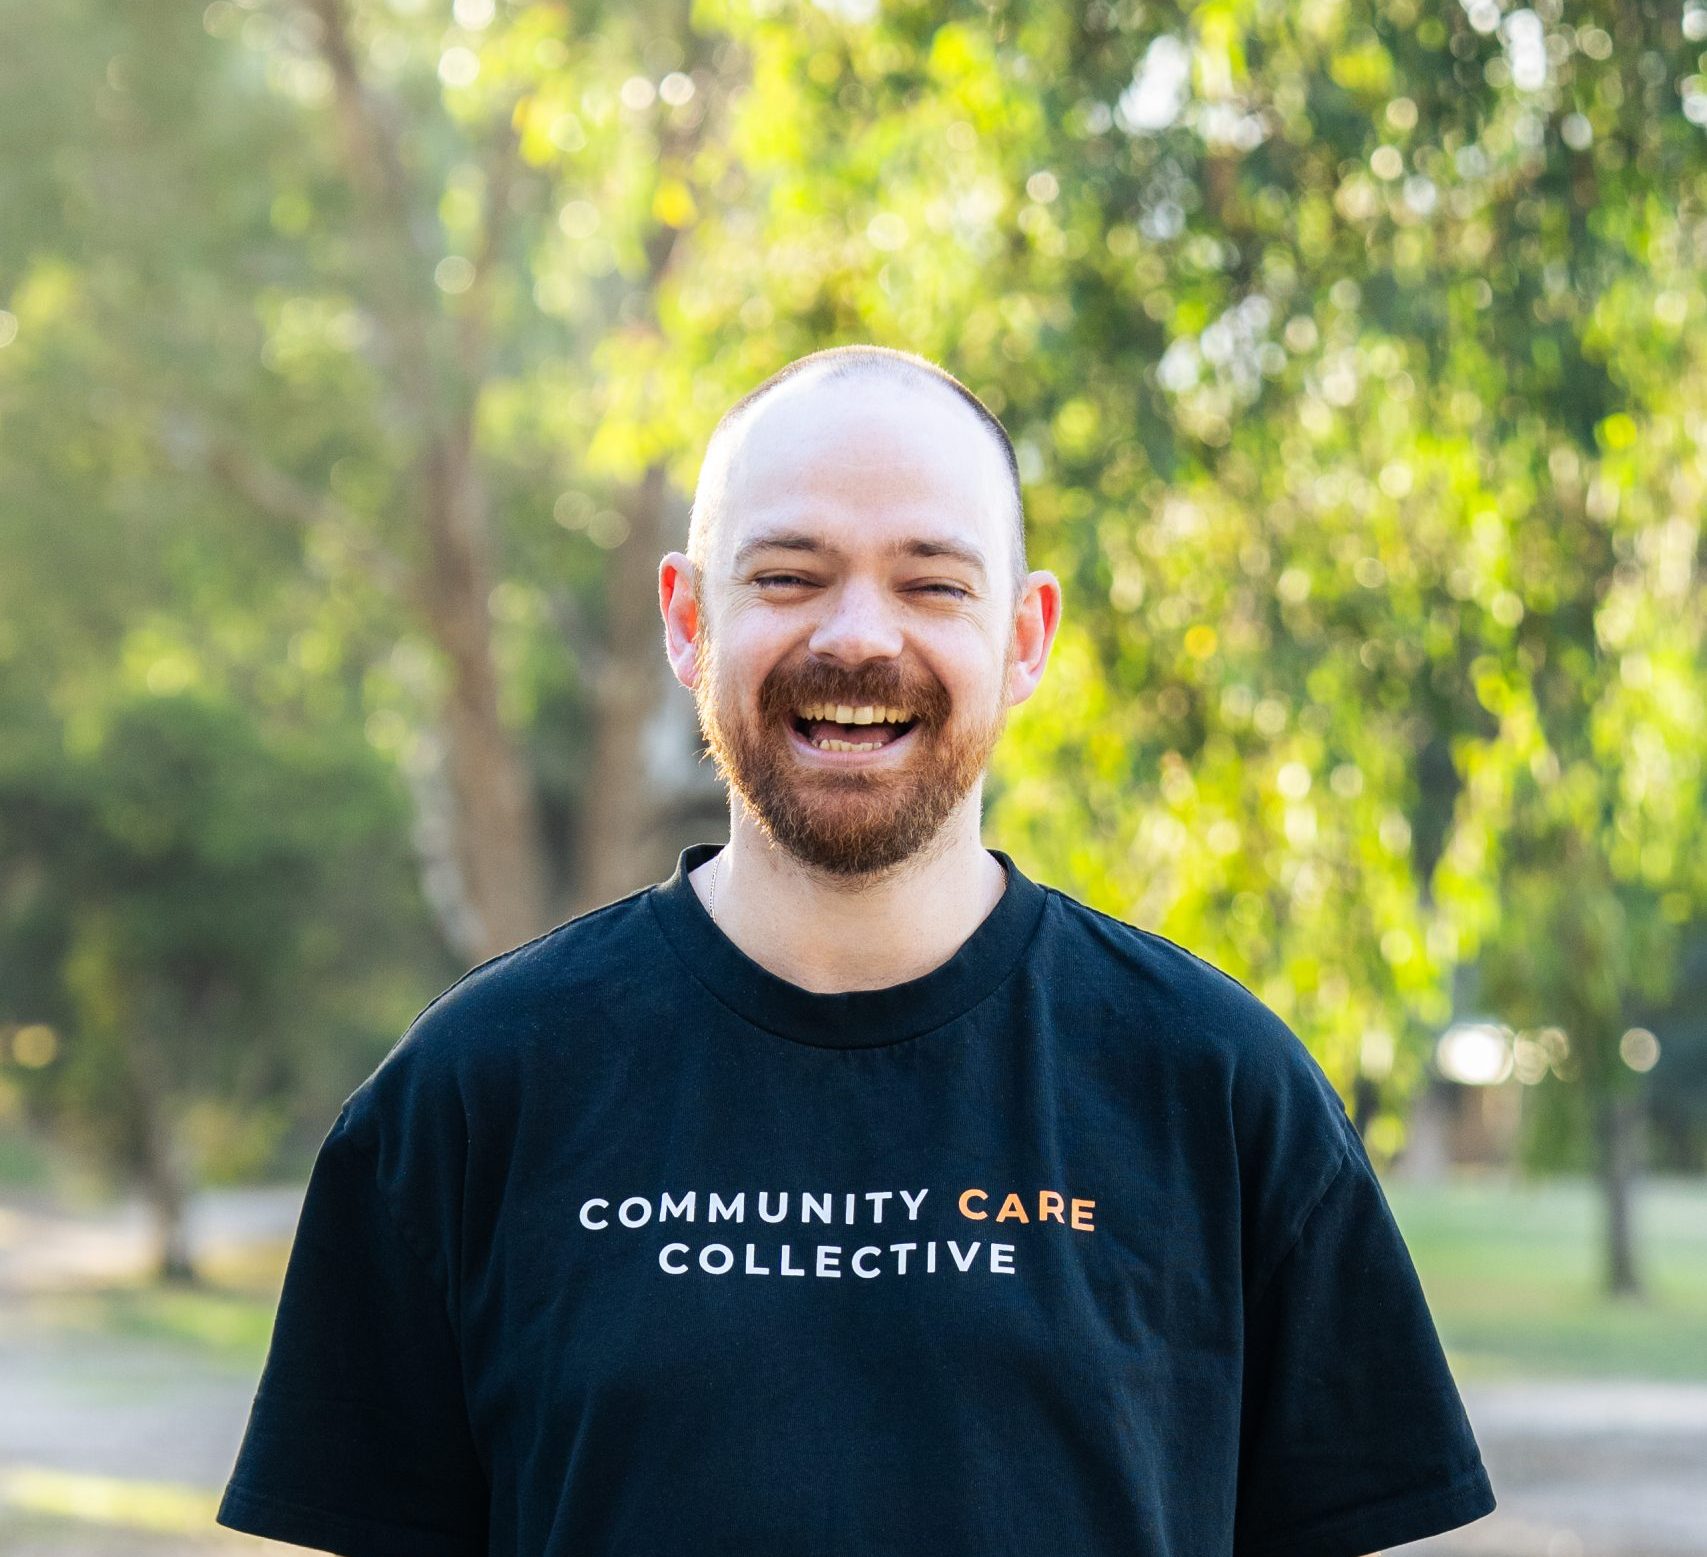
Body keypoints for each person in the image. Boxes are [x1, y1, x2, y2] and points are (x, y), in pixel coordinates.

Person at [216, 344, 1497, 1557]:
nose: (859, 638)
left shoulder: (1221, 1091)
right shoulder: (472, 1093)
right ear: (685, 619)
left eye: (934, 583)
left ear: (1026, 637)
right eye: (787, 576)